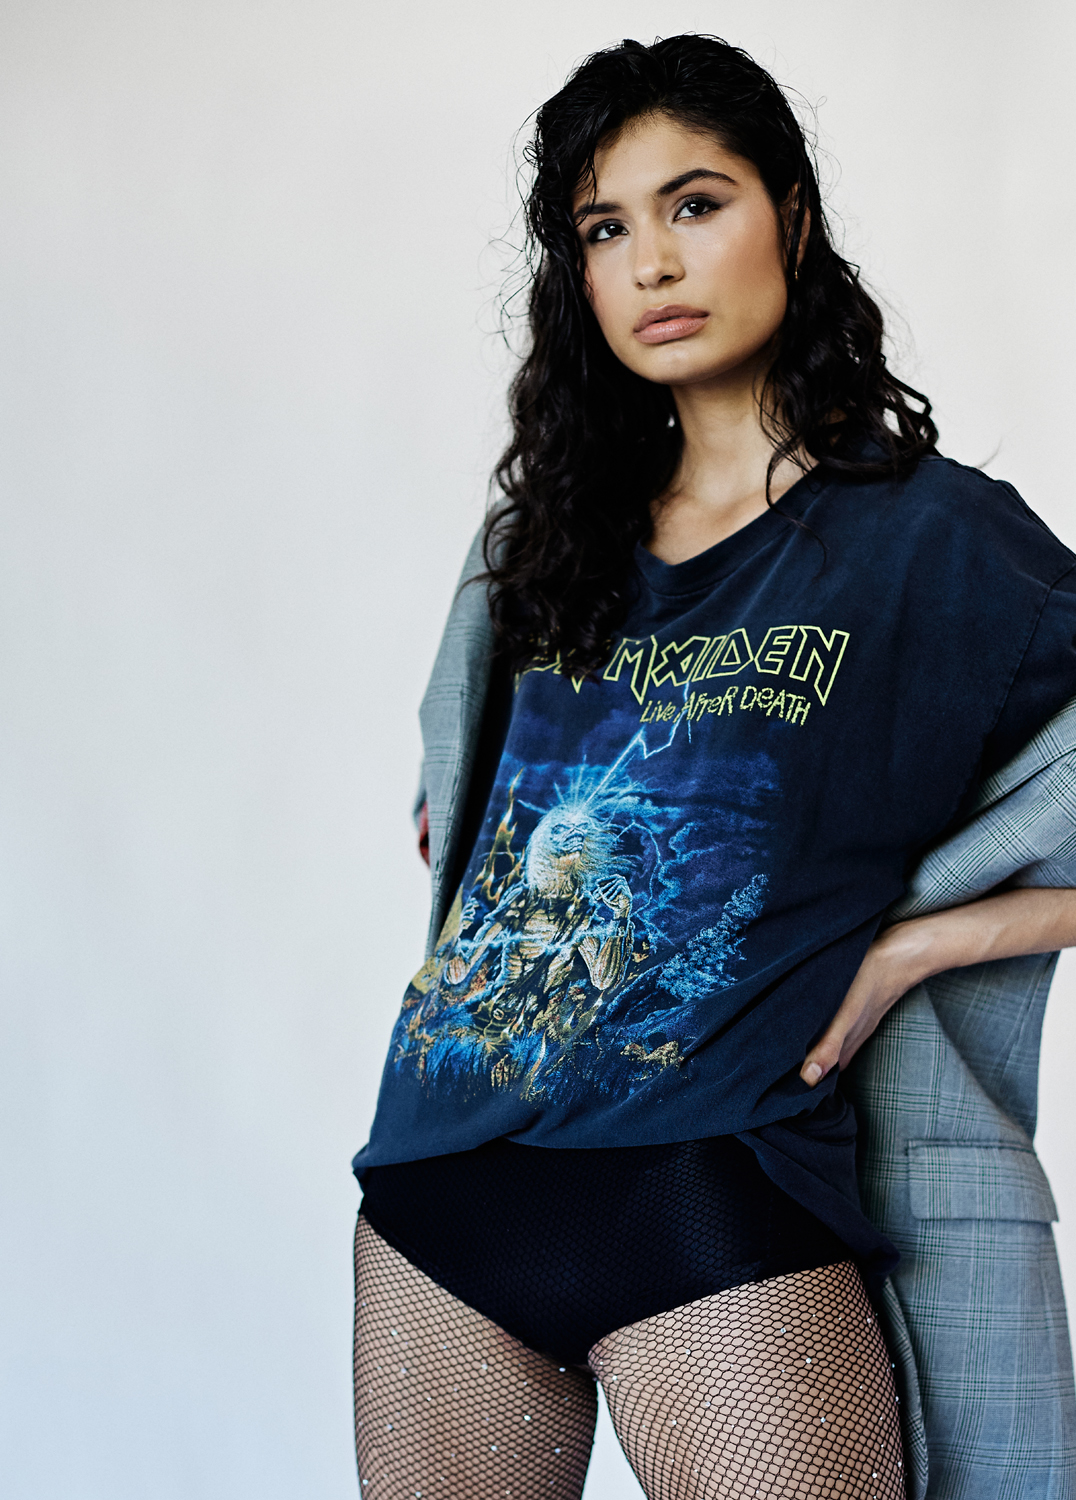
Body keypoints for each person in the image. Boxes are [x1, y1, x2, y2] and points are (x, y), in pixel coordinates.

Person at [351, 35, 1076, 1500]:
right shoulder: (542, 541)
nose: (654, 264)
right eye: (604, 228)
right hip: (442, 1186)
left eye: (695, 204)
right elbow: (471, 803)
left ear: (791, 219)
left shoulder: (933, 541)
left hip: (713, 1196)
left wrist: (920, 945)